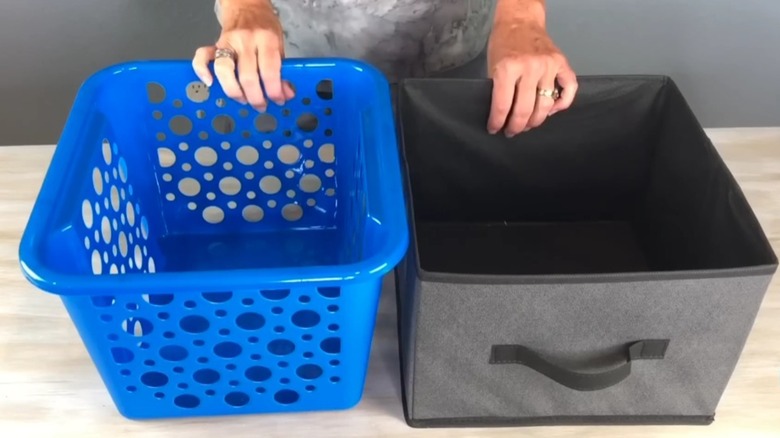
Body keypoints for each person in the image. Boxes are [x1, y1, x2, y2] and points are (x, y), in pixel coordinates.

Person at [192, 0, 577, 137]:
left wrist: (521, 18)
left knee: (436, 172)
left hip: (448, 37)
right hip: (289, 45)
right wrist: (245, 7)